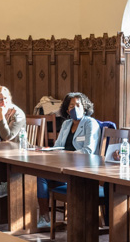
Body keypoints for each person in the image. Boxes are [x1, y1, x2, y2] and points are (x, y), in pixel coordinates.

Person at [36, 92, 101, 228]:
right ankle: (44, 217)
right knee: (41, 175)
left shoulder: (90, 123)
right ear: (67, 110)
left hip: (82, 169)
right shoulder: (66, 124)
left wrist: (66, 155)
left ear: (85, 107)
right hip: (63, 167)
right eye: (72, 106)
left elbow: (88, 151)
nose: (75, 108)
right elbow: (58, 146)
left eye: (78, 105)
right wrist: (48, 150)